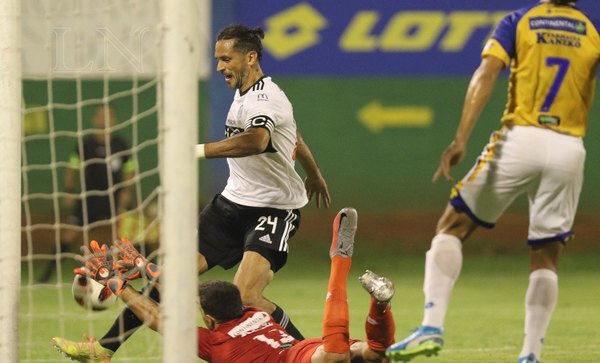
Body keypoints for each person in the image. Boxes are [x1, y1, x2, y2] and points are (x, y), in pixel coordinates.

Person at [53, 23, 330, 361]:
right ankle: (103, 349)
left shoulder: (266, 97)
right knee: (169, 277)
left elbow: (259, 140)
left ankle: (309, 352)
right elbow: (294, 135)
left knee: (246, 296)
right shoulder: (245, 96)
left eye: (226, 59)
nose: (219, 67)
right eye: (217, 59)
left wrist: (195, 151)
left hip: (273, 210)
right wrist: (314, 173)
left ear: (251, 57)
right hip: (230, 205)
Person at [386, 1, 599, 363]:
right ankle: (530, 355)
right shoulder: (592, 31)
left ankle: (431, 326)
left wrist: (460, 138)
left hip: (522, 139)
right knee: (547, 254)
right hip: (569, 148)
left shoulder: (519, 21)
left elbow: (487, 72)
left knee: (451, 226)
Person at [53, 208, 396, 363]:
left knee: (339, 356)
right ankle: (379, 305)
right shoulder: (252, 311)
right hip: (301, 350)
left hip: (305, 357)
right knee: (371, 353)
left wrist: (120, 285)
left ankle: (341, 264)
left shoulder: (218, 345)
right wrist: (142, 267)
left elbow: (158, 317)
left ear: (211, 320)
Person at [38, 105, 135, 283]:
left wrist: (126, 191)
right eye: (100, 116)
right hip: (88, 198)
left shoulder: (120, 144)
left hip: (112, 198)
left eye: (108, 116)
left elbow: (129, 168)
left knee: (118, 237)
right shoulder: (86, 144)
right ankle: (47, 275)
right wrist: (69, 190)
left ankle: (120, 275)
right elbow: (72, 167)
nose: (104, 120)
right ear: (94, 120)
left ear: (114, 120)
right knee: (69, 234)